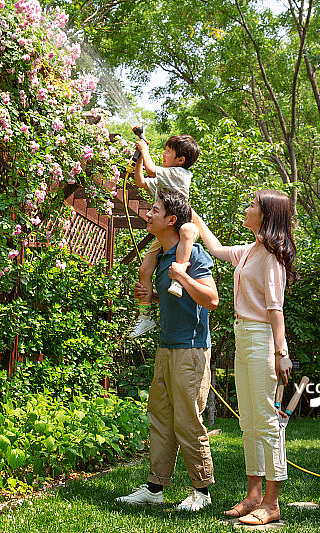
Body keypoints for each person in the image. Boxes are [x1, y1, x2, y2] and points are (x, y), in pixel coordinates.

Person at [194, 190, 298, 526]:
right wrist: (192, 213)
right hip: (244, 337)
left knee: (267, 422)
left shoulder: (272, 257)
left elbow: (275, 308)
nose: (247, 208)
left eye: (252, 205)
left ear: (267, 216)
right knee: (248, 422)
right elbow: (215, 248)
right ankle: (253, 496)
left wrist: (281, 352)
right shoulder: (251, 250)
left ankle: (272, 502)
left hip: (262, 339)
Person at [116, 190, 219, 511]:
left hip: (190, 350)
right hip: (166, 348)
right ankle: (154, 488)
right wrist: (151, 295)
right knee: (160, 417)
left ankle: (201, 491)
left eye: (154, 211)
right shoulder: (160, 258)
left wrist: (183, 275)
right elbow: (175, 299)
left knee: (187, 420)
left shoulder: (195, 255)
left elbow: (211, 300)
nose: (148, 215)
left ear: (171, 220)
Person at [128, 135, 201, 339]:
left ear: (180, 160)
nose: (164, 154)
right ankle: (144, 317)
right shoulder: (164, 179)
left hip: (183, 225)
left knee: (187, 230)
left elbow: (151, 170)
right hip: (165, 234)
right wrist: (139, 158)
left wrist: (144, 149)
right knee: (144, 269)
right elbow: (140, 180)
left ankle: (178, 279)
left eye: (168, 151)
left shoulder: (180, 173)